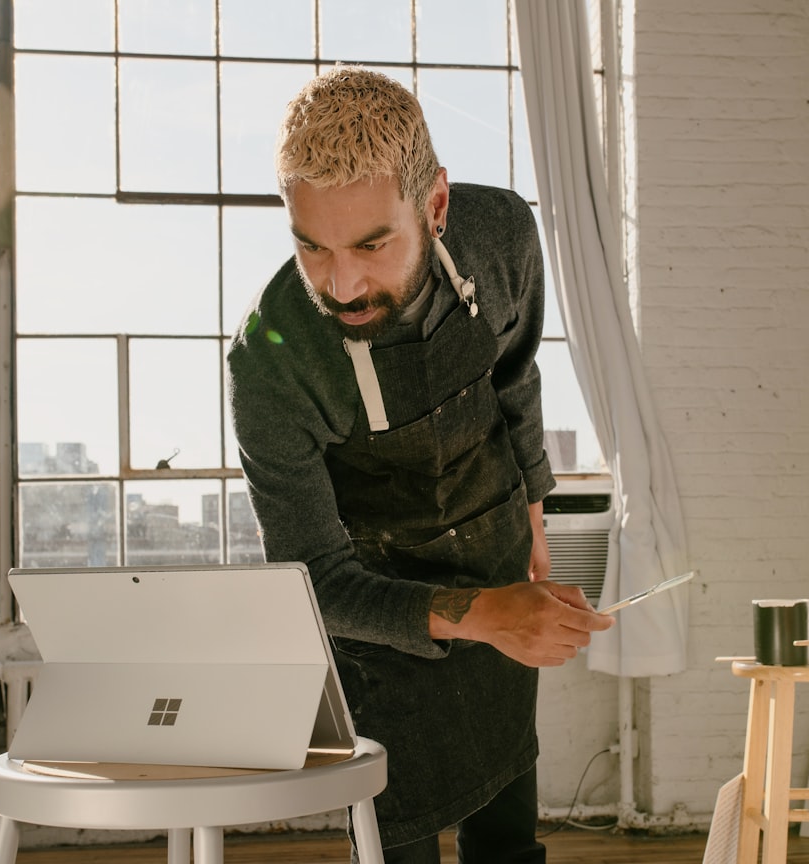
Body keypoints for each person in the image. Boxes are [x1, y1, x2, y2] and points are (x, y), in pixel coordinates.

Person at [226, 65, 615, 864]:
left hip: (498, 549)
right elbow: (316, 581)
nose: (342, 284)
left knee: (508, 834)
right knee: (393, 840)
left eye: (372, 244)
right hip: (381, 612)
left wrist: (533, 522)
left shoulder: (503, 235)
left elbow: (514, 374)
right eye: (311, 247)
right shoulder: (270, 362)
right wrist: (483, 613)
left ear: (435, 206)